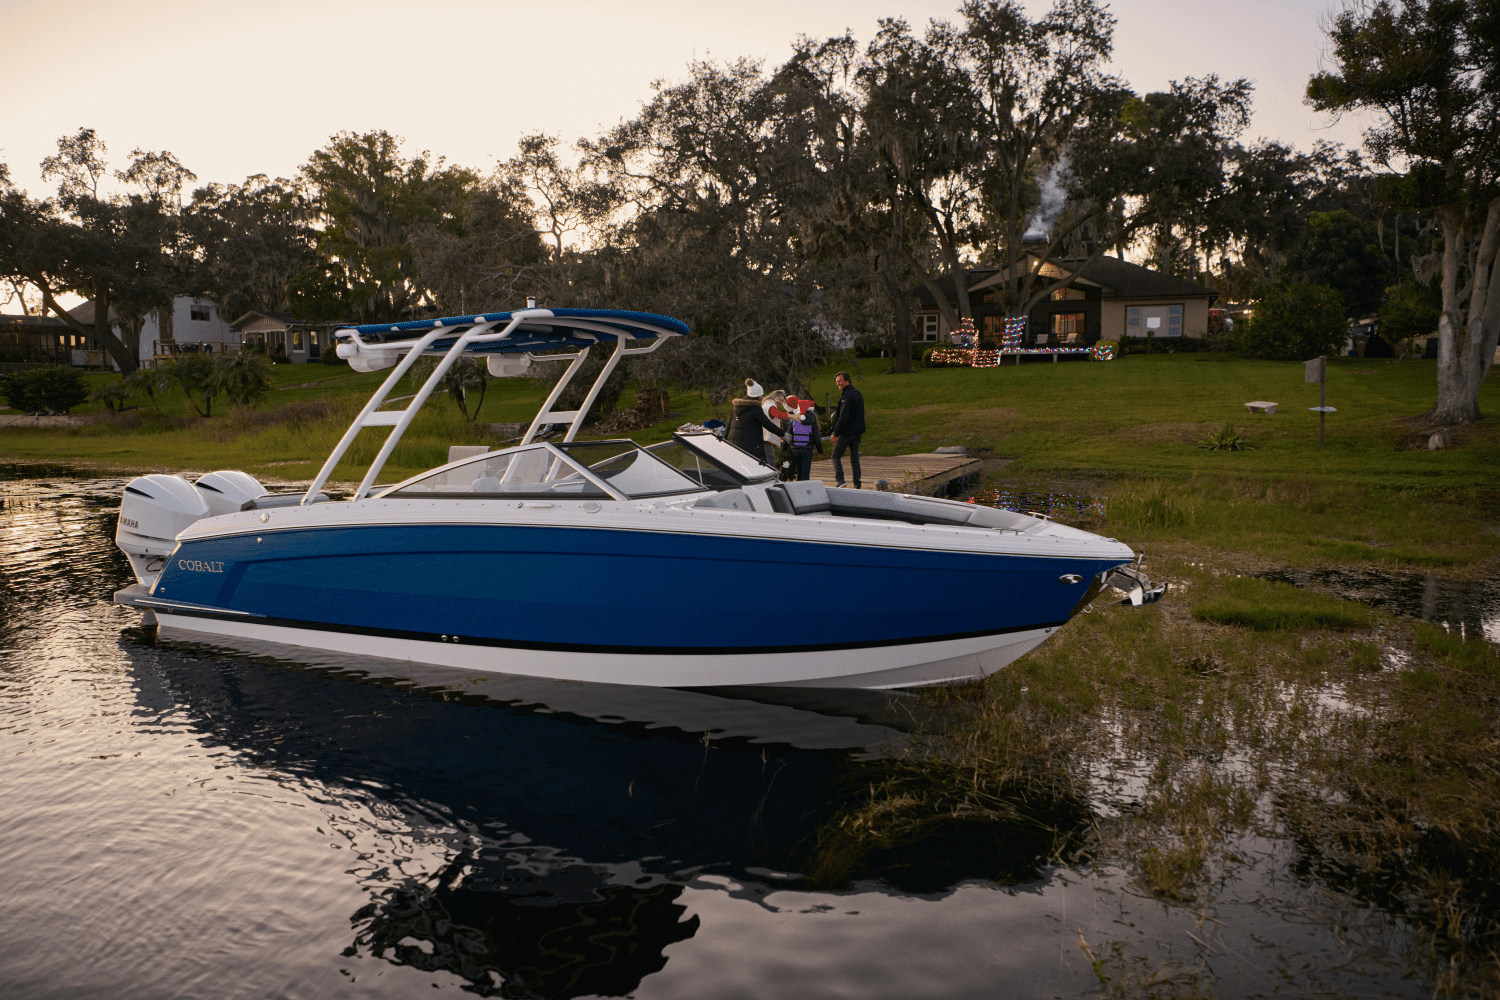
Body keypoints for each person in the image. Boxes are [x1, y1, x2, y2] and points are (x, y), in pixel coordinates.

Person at [726, 379, 783, 466]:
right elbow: (767, 424)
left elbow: (728, 425)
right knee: (753, 466)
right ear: (759, 397)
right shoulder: (755, 408)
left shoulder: (735, 407)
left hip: (733, 443)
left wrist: (724, 440)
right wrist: (783, 434)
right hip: (749, 444)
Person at [829, 370, 864, 489]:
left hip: (847, 431)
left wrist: (835, 432)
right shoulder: (858, 393)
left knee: (835, 455)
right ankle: (857, 483)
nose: (838, 384)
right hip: (858, 432)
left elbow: (843, 415)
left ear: (847, 381)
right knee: (854, 457)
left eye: (840, 381)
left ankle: (840, 480)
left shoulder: (847, 395)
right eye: (837, 382)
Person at [783, 397, 822, 481]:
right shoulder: (813, 423)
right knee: (805, 472)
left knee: (797, 471)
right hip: (807, 450)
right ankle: (803, 490)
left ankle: (797, 488)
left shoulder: (794, 421)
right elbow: (817, 438)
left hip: (795, 450)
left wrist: (784, 448)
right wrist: (820, 450)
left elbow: (788, 436)